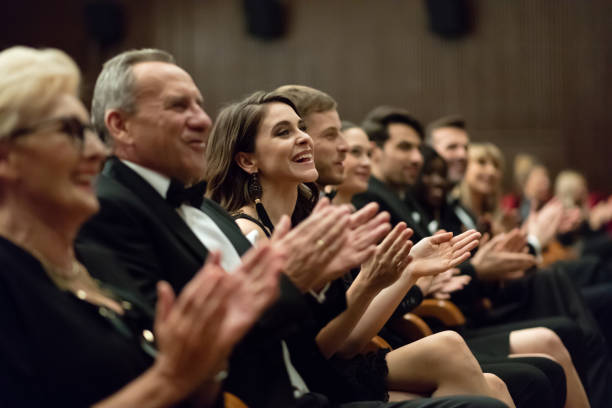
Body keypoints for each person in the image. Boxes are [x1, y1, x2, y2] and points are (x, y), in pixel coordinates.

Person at [76, 48, 506, 408]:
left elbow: (325, 337)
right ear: (119, 125)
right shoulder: (121, 209)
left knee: (492, 384)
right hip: (283, 393)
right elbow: (183, 347)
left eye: (198, 105)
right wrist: (294, 281)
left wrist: (400, 273)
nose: (201, 120)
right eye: (178, 106)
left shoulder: (203, 210)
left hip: (308, 383)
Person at [0, 46, 285, 407]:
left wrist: (202, 363)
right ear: (6, 155)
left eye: (88, 133)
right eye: (70, 132)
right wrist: (171, 378)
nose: (96, 152)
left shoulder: (74, 269)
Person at [205, 89, 515, 407]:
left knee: (493, 387)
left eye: (301, 127)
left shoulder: (304, 222)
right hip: (306, 391)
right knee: (478, 387)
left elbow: (349, 341)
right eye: (284, 132)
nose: (303, 138)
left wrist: (409, 271)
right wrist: (370, 281)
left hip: (332, 371)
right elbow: (307, 355)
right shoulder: (247, 233)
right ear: (247, 160)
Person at [427, 114, 612, 408]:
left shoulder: (458, 208)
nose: (462, 155)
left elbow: (481, 263)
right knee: (558, 288)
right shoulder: (439, 207)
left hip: (480, 301)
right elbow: (459, 273)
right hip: (467, 315)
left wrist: (527, 243)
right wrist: (533, 243)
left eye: (466, 149)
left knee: (570, 284)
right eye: (453, 148)